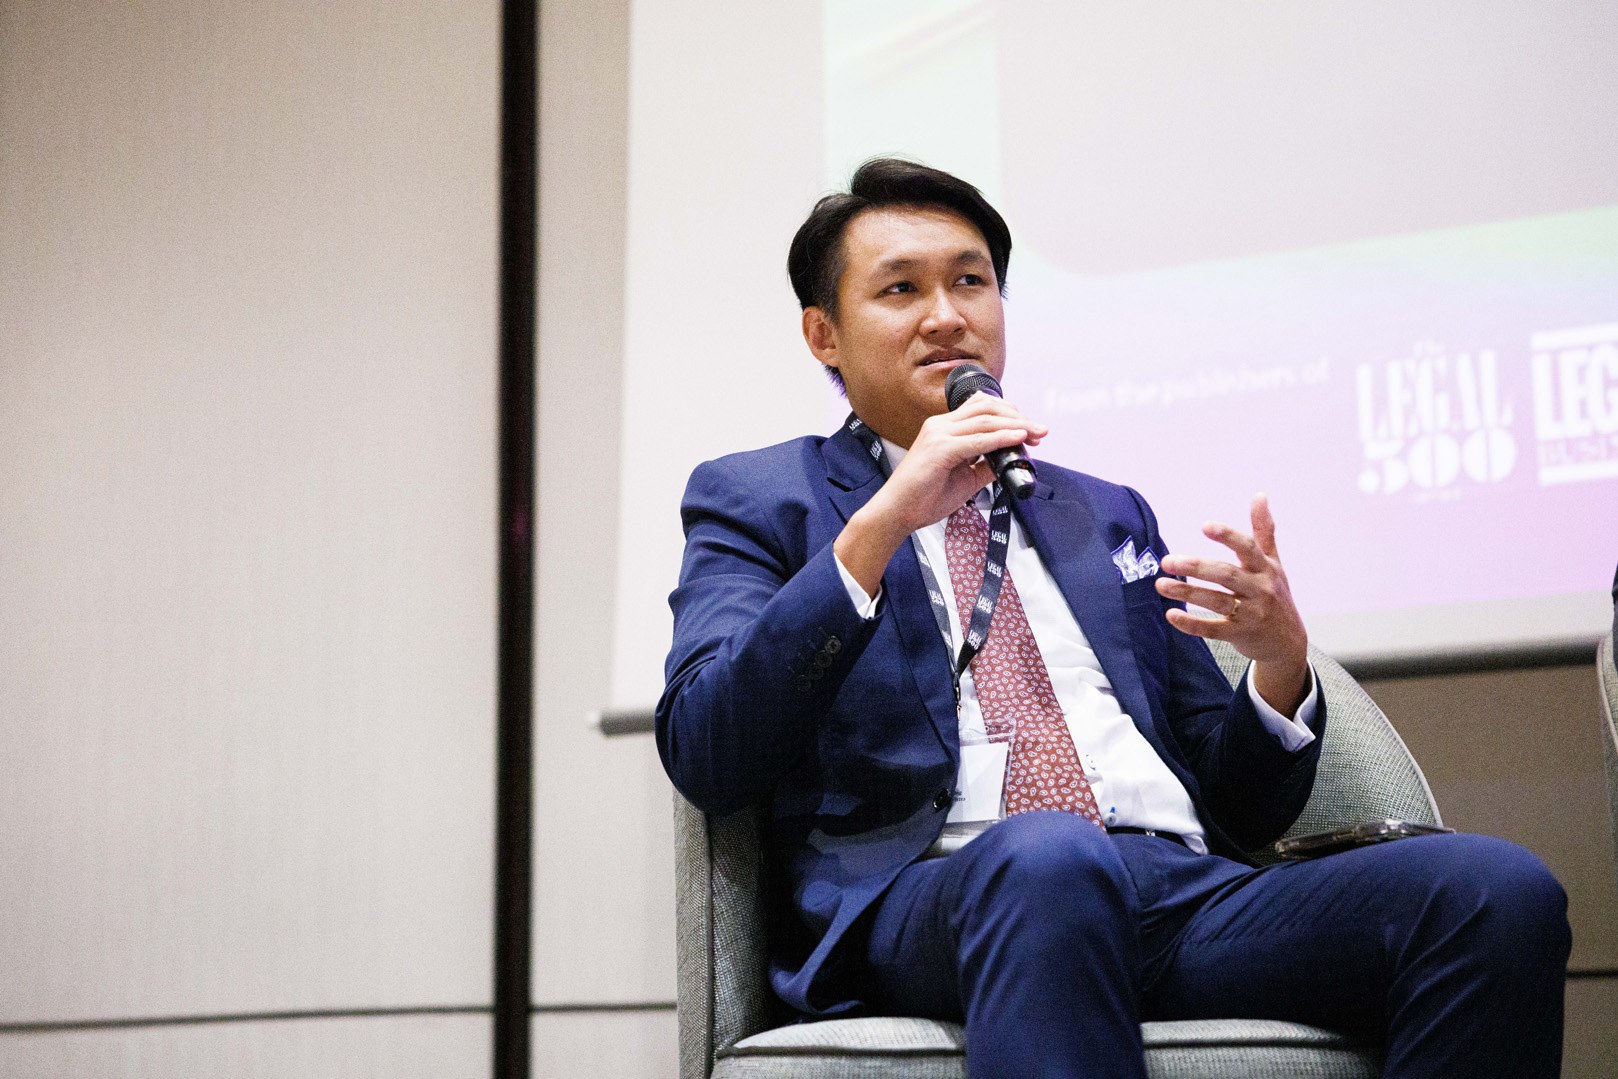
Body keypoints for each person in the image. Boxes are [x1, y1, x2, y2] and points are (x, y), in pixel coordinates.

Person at [655, 158, 1570, 1078]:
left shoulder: (1101, 510)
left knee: (1495, 894)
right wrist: (885, 520)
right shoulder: (763, 498)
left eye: (970, 281)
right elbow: (707, 745)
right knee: (1052, 861)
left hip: (1174, 892)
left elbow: (1236, 804)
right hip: (940, 896)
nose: (947, 315)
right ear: (824, 333)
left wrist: (1279, 663)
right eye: (901, 289)